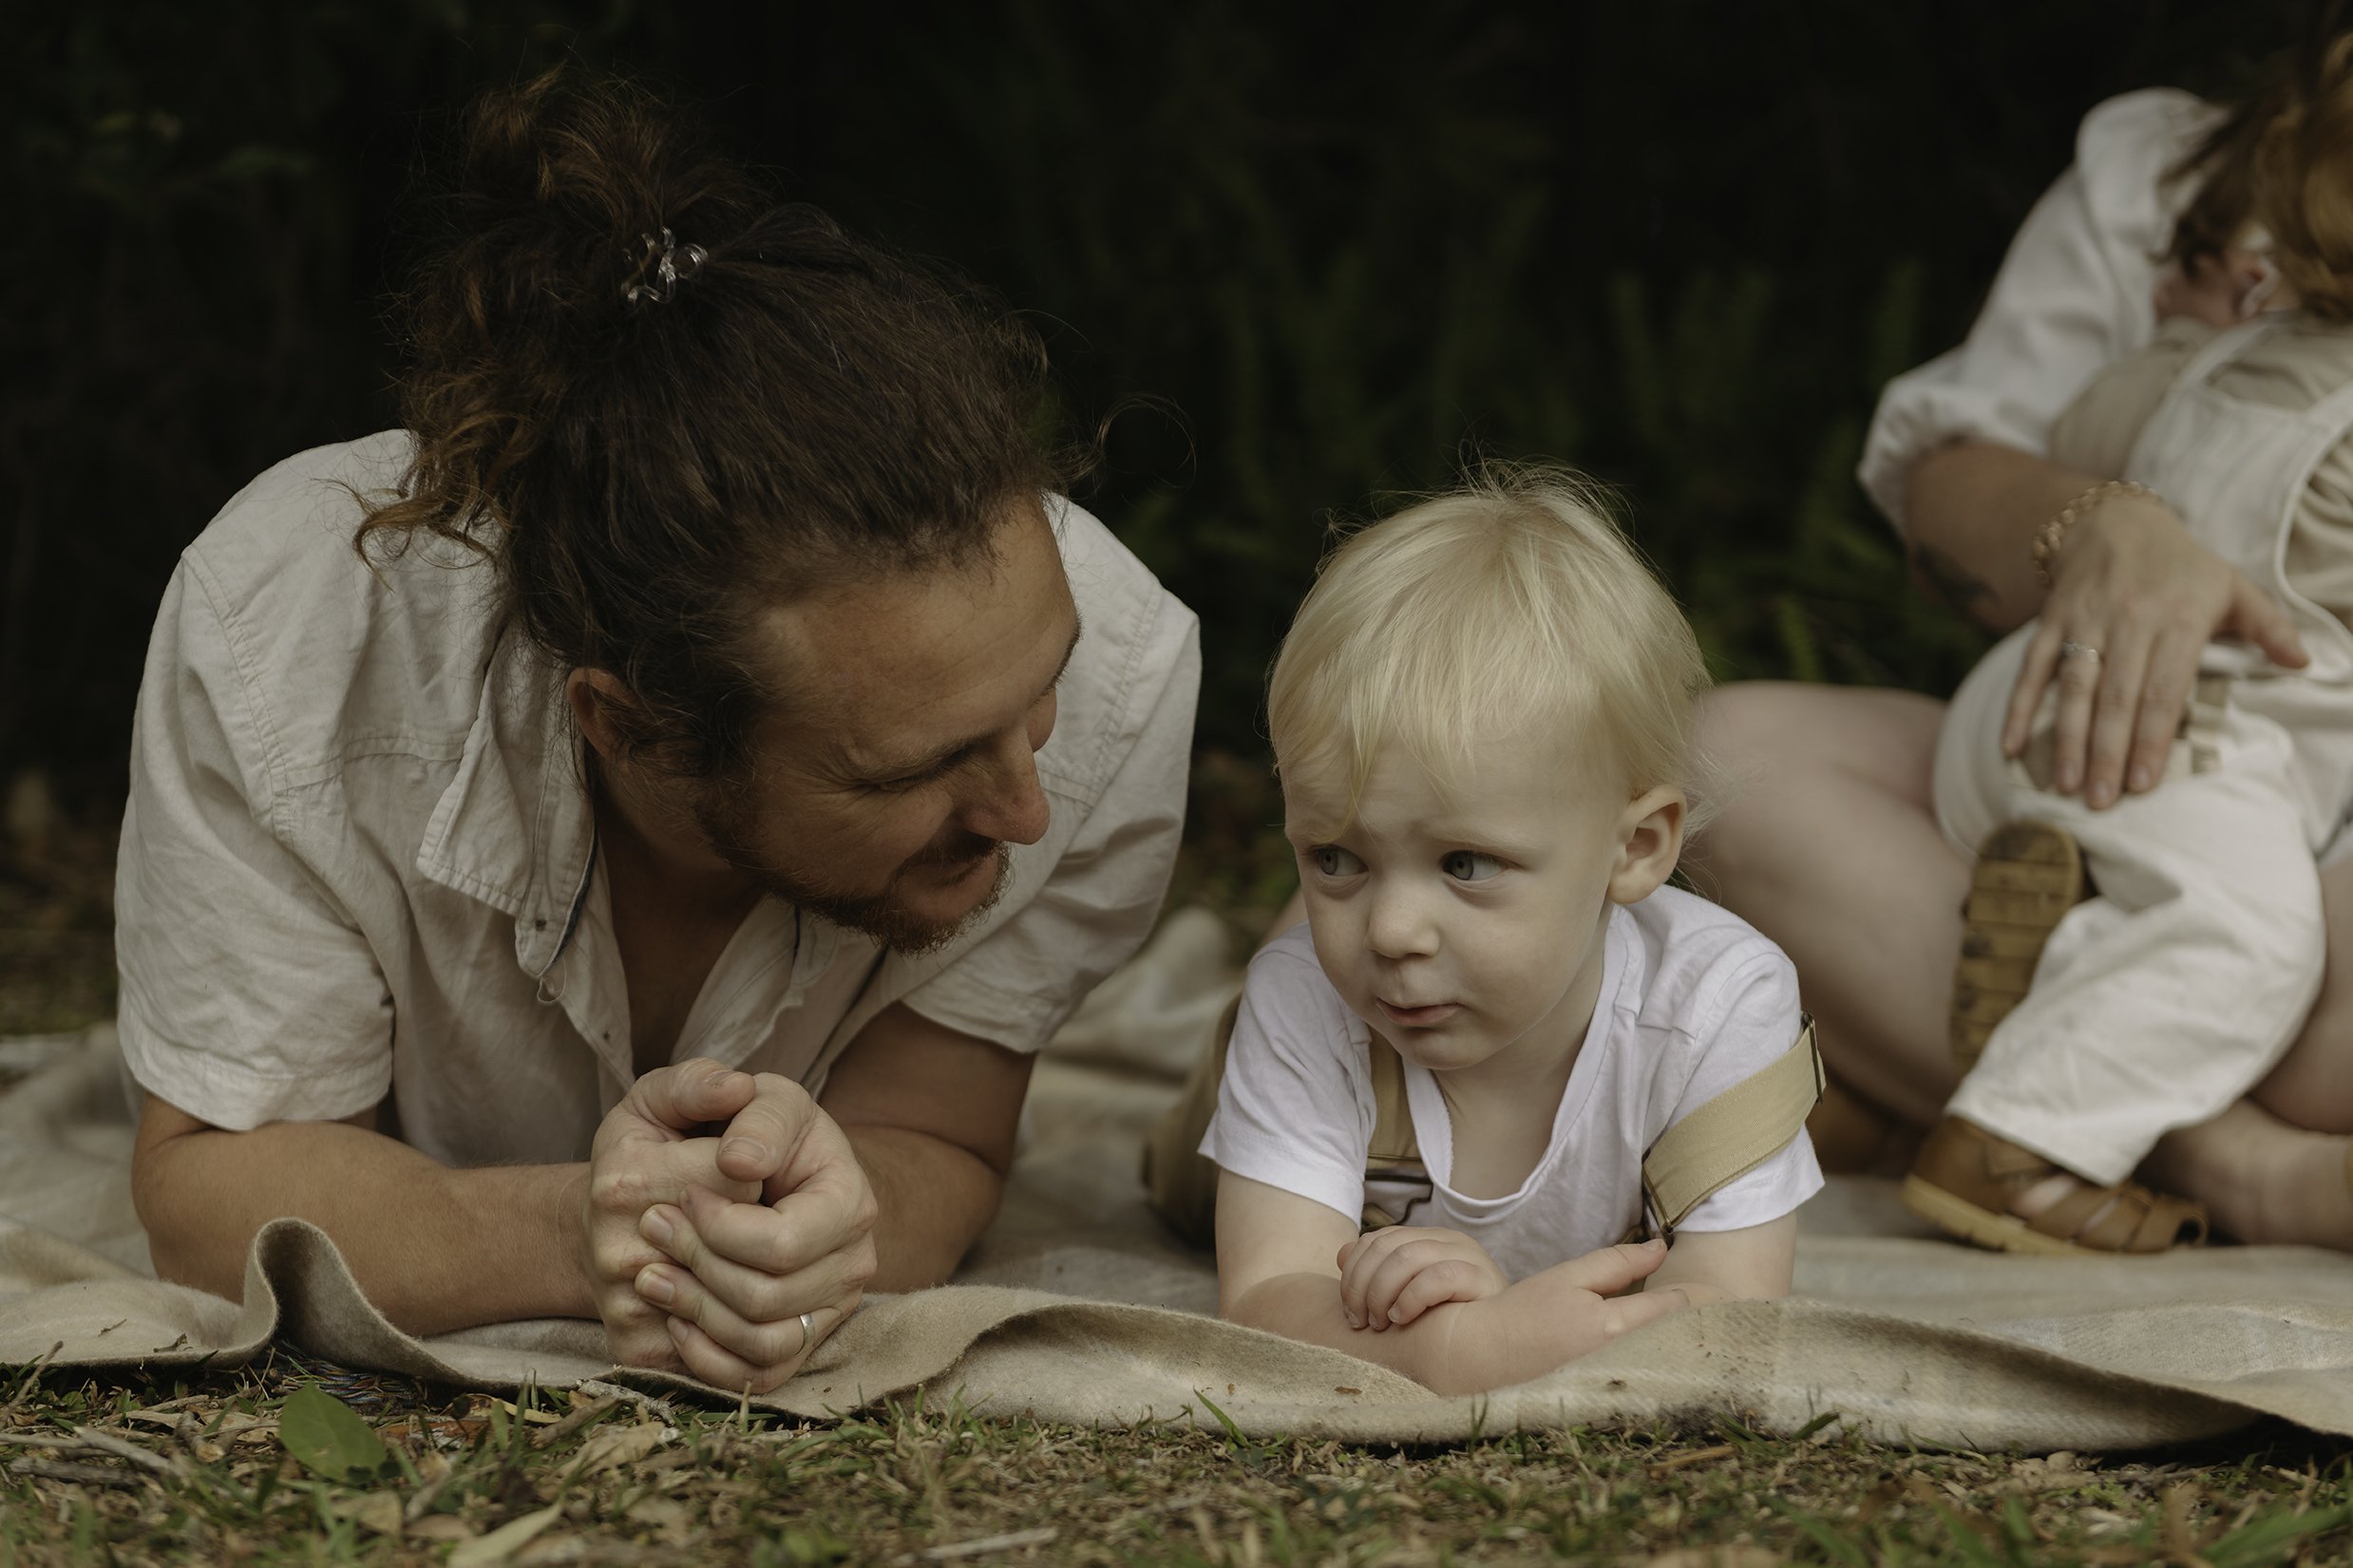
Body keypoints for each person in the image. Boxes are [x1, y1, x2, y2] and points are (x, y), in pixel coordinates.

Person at [112, 71, 1199, 1393]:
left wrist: (833, 1229)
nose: (1025, 809)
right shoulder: (286, 642)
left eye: (1037, 704)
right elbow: (214, 1187)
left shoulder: (1124, 665)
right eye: (912, 766)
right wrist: (578, 1232)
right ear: (637, 726)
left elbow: (936, 1133)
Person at [1692, 47, 2353, 1255]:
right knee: (2244, 933)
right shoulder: (2167, 176)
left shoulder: (2205, 348)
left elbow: (2095, 412)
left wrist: (2170, 370)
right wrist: (2099, 522)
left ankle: (1913, 1078)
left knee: (2241, 926)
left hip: (2107, 753)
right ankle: (2123, 1151)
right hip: (2172, 742)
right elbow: (1957, 470)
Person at [1200, 472, 1824, 1395]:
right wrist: (1448, 1351)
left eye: (1463, 864)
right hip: (1250, 1119)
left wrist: (1508, 1324)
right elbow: (1263, 1300)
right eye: (1334, 856)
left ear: (1637, 846)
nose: (1394, 931)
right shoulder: (1309, 995)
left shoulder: (1718, 999)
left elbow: (1728, 1315)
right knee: (1266, 1014)